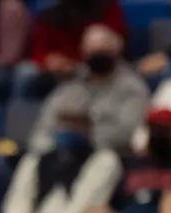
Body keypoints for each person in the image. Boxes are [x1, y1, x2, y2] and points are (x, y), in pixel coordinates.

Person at [3, 89, 122, 213]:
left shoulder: (104, 160)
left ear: (88, 125)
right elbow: (17, 199)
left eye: (75, 122)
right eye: (64, 121)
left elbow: (85, 203)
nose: (69, 128)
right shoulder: (35, 160)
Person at [29, 24, 147, 156]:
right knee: (31, 160)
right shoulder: (70, 86)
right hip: (60, 153)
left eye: (103, 52)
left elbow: (128, 133)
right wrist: (51, 146)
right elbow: (43, 127)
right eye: (93, 52)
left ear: (117, 52)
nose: (98, 57)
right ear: (83, 53)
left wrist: (86, 137)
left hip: (105, 154)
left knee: (106, 160)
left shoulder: (131, 87)